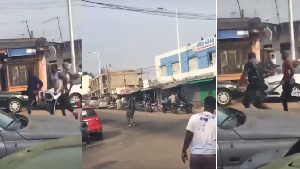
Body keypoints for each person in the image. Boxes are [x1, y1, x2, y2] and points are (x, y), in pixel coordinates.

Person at [181, 96, 216, 169]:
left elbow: (188, 136)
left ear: (204, 105)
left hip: (196, 156)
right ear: (214, 107)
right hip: (211, 157)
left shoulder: (194, 118)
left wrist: (184, 150)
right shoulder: (216, 120)